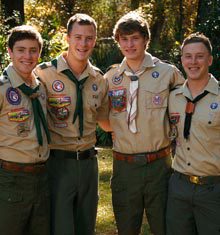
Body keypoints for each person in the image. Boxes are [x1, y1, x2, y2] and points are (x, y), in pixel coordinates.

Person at [100, 11, 184, 235]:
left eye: (135, 38)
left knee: (164, 226)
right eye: (124, 39)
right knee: (127, 227)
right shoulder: (110, 79)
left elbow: (185, 111)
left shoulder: (168, 73)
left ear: (146, 39)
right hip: (125, 166)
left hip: (159, 165)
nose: (130, 44)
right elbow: (104, 120)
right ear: (118, 42)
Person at [35, 13, 109, 235]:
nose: (83, 43)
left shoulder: (99, 79)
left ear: (94, 40)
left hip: (88, 164)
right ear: (67, 38)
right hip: (58, 162)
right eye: (78, 37)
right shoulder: (43, 74)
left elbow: (107, 123)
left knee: (86, 226)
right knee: (60, 227)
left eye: (89, 38)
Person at [166, 33, 220, 235]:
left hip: (213, 189)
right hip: (179, 186)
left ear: (210, 60)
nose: (193, 62)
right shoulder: (173, 97)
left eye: (199, 56)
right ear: (182, 60)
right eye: (188, 56)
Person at [0, 25, 50, 235]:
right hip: (11, 178)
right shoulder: (2, 89)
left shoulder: (40, 88)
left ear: (39, 53)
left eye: (33, 50)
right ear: (9, 52)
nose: (27, 56)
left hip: (42, 177)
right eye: (21, 50)